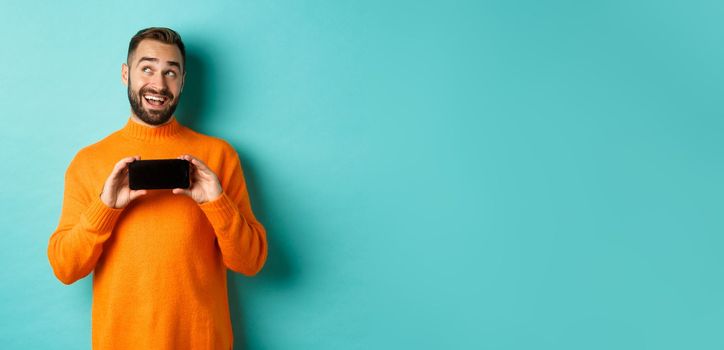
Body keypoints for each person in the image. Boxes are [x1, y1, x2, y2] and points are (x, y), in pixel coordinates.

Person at [47, 27, 268, 350]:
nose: (159, 84)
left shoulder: (220, 156)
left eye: (171, 72)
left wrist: (217, 203)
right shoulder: (88, 161)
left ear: (182, 81)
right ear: (126, 74)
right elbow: (65, 268)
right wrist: (105, 208)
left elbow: (250, 263)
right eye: (147, 68)